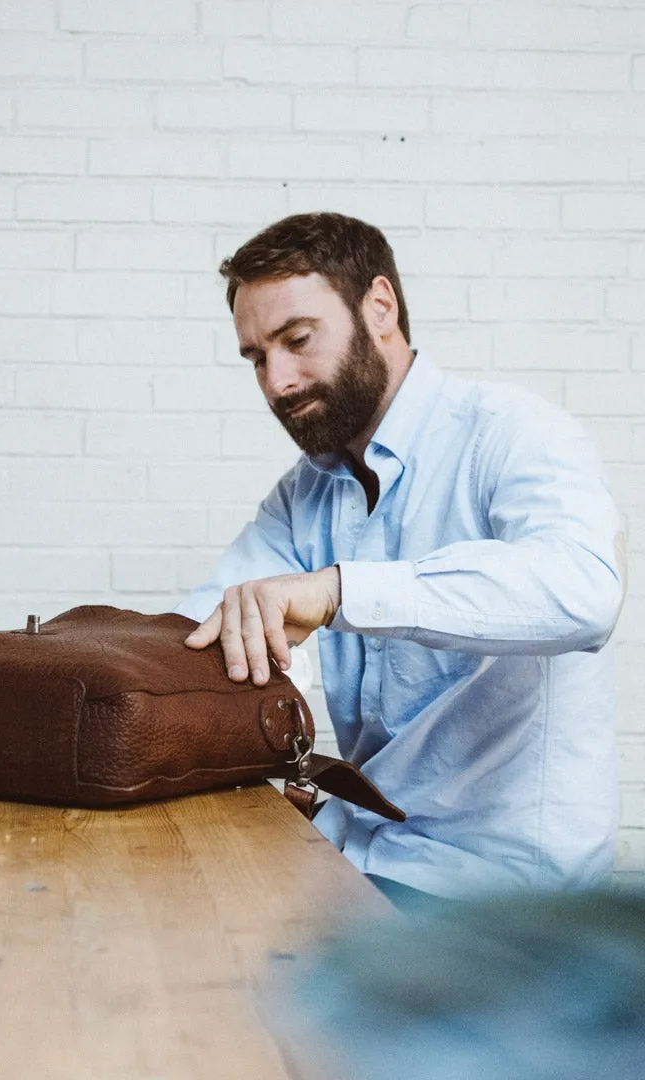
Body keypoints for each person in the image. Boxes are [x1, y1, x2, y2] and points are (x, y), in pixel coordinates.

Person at [176, 212, 626, 901]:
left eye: (297, 340)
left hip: (498, 901)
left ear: (379, 307)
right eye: (257, 358)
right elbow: (203, 625)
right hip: (355, 851)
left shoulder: (512, 434)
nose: (277, 382)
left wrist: (338, 591)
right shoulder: (305, 495)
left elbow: (584, 591)